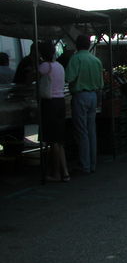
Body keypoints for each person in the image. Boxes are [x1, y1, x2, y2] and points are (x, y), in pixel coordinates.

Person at [65, 34, 104, 175]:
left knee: (82, 132)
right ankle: (92, 164)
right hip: (93, 95)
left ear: (76, 45)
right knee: (91, 130)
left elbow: (69, 77)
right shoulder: (96, 60)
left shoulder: (76, 59)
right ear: (88, 45)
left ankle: (84, 165)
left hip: (80, 96)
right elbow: (101, 84)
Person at [38, 42, 69, 182]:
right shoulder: (60, 66)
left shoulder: (44, 66)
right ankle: (65, 173)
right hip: (61, 102)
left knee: (53, 140)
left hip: (50, 103)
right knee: (59, 140)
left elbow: (30, 79)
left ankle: (56, 173)